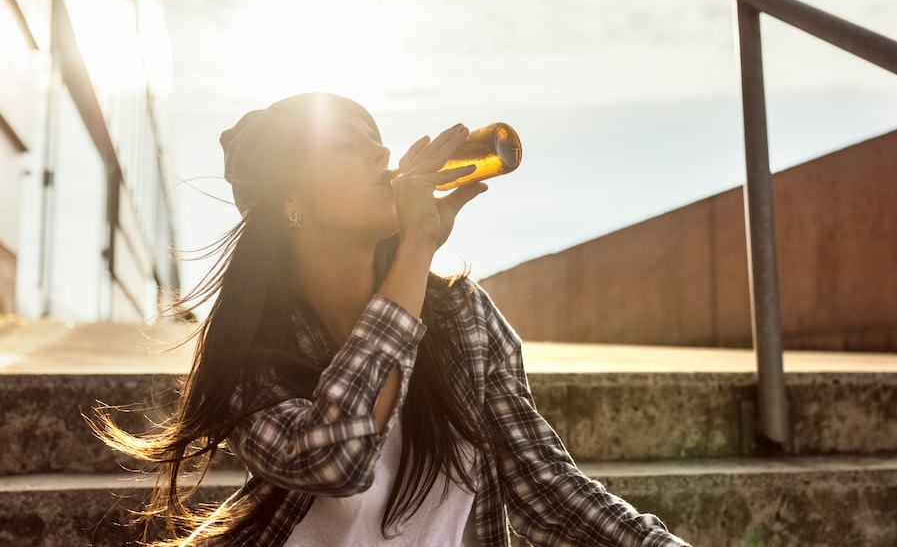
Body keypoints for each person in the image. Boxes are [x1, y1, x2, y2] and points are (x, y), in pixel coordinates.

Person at [94, 92, 691, 546]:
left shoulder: (461, 316)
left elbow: (546, 485)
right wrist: (416, 249)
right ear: (288, 201)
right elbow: (335, 458)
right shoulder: (251, 348)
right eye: (347, 145)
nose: (381, 152)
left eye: (375, 137)